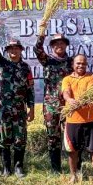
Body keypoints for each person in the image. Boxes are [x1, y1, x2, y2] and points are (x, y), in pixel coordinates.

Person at [0, 33, 35, 177]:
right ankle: (6, 168)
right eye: (10, 48)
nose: (13, 51)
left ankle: (18, 167)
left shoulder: (26, 68)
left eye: (16, 48)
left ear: (21, 50)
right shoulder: (2, 63)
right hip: (4, 109)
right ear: (7, 51)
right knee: (3, 139)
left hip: (20, 109)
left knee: (20, 139)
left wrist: (31, 109)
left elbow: (30, 90)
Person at [35, 32, 73, 173]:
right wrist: (42, 36)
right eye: (56, 43)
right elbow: (37, 50)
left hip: (68, 105)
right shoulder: (47, 60)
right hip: (51, 106)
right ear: (51, 46)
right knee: (53, 137)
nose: (59, 45)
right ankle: (56, 168)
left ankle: (74, 166)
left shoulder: (71, 62)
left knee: (71, 135)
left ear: (66, 45)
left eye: (62, 43)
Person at [63, 54, 93, 183]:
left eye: (83, 63)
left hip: (90, 120)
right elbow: (66, 92)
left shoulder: (92, 78)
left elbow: (91, 93)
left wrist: (83, 100)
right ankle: (73, 176)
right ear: (72, 65)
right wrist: (70, 100)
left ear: (87, 65)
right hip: (72, 120)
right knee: (72, 151)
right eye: (78, 63)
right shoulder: (67, 79)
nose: (80, 65)